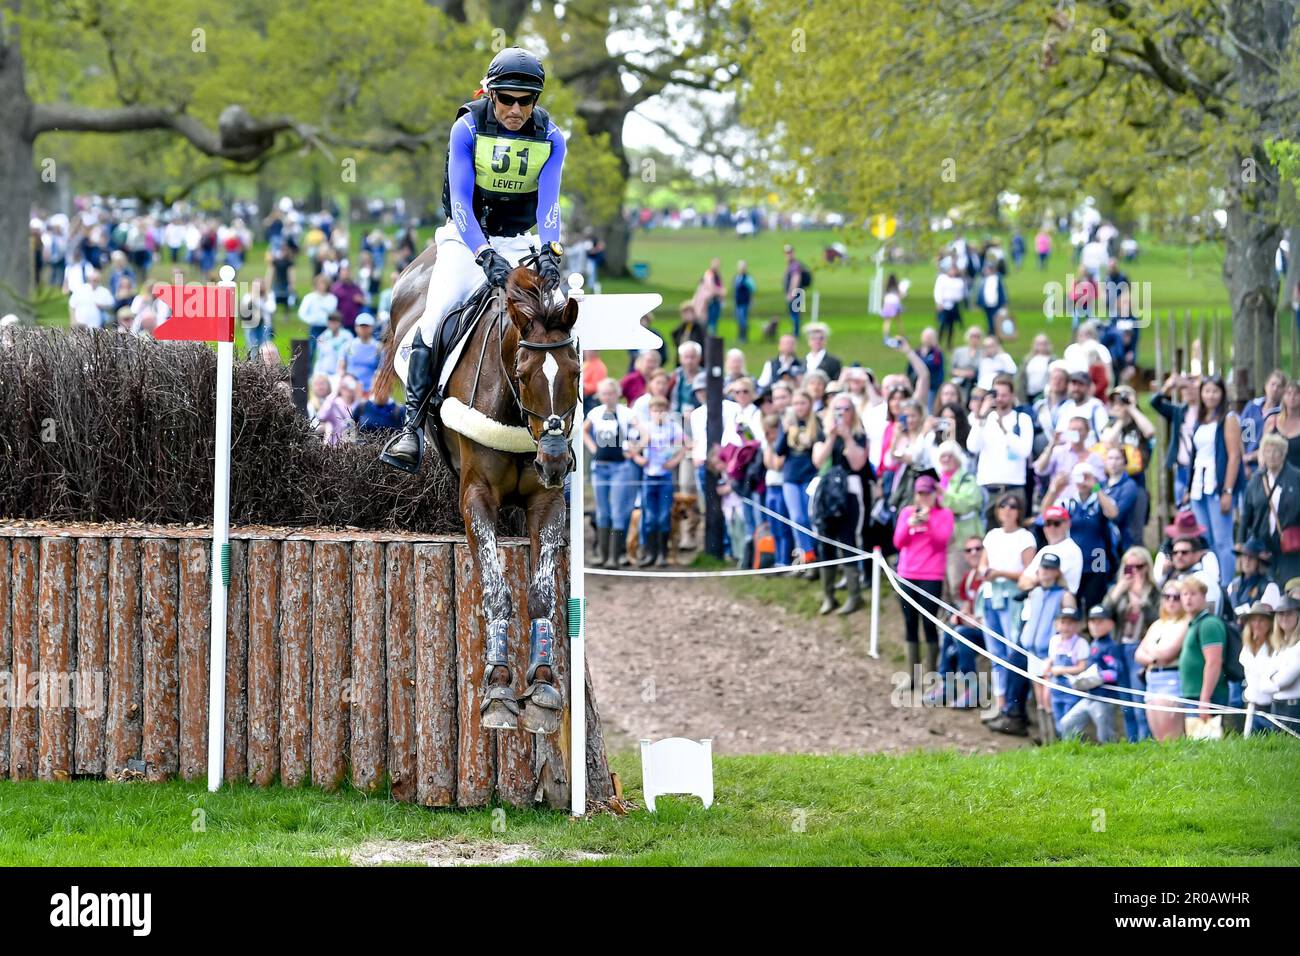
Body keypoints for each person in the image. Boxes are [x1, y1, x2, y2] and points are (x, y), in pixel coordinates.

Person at [384, 47, 567, 470]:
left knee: (555, 320)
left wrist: (550, 251)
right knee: (436, 315)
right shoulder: (466, 127)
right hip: (466, 239)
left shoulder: (553, 138)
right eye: (506, 99)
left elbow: (549, 206)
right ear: (490, 94)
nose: (516, 109)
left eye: (526, 101)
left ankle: (557, 429)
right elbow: (462, 203)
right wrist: (484, 254)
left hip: (521, 241)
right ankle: (411, 428)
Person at [892, 475, 954, 684]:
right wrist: (910, 525)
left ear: (935, 494)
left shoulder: (944, 514)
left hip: (931, 575)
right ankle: (912, 675)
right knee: (910, 623)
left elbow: (940, 542)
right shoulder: (907, 513)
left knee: (929, 624)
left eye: (928, 493)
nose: (924, 497)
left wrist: (928, 524)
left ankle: (930, 675)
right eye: (921, 493)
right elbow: (898, 542)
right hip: (908, 574)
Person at [979, 494, 1037, 717]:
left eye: (1013, 506)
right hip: (991, 595)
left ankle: (1016, 702)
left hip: (1013, 596)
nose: (1008, 509)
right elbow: (984, 563)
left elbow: (1029, 572)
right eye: (1003, 505)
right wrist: (985, 571)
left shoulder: (1025, 537)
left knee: (1014, 649)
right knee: (996, 652)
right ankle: (1000, 701)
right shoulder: (992, 535)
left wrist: (1000, 573)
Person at [1186, 375, 1244, 587]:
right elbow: (1195, 455)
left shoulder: (1228, 419)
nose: (1210, 395)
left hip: (1217, 485)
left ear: (1222, 394)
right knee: (1205, 541)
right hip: (1198, 487)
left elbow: (1234, 456)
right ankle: (1211, 586)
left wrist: (1227, 490)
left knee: (1222, 540)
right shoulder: (1201, 419)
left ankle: (1227, 586)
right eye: (1206, 391)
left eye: (1215, 391)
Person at [966, 374, 1034, 523]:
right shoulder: (985, 420)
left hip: (1013, 487)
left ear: (1012, 396)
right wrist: (981, 417)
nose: (999, 399)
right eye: (996, 394)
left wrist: (1005, 431)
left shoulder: (1022, 419)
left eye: (1004, 395)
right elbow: (972, 447)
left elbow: (1025, 451)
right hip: (987, 488)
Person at [584, 378, 636, 569]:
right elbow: (584, 430)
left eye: (611, 393)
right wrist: (593, 448)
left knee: (618, 511)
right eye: (604, 393)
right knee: (603, 511)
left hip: (620, 467)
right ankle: (603, 555)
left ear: (617, 393)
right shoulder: (595, 413)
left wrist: (633, 449)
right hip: (600, 467)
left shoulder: (627, 413)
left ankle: (616, 556)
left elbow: (644, 433)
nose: (608, 397)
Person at [631, 396, 686, 567]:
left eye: (662, 410)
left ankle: (663, 553)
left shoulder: (673, 428)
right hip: (649, 476)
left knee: (663, 516)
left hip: (665, 477)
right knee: (649, 516)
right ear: (650, 412)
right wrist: (638, 458)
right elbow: (631, 446)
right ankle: (650, 553)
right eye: (655, 410)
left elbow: (684, 446)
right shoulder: (645, 428)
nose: (659, 414)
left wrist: (674, 461)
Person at [1057, 606, 1124, 743]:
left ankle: (1114, 758)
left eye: (1100, 622)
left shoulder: (1111, 647)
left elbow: (1117, 671)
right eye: (1092, 621)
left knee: (1105, 735)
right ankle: (1072, 753)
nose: (1095, 625)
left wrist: (1099, 676)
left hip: (1105, 699)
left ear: (1110, 624)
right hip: (1090, 695)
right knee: (1067, 723)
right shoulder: (1094, 644)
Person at [1136, 581, 1191, 741]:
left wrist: (1151, 651)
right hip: (1152, 680)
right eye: (1167, 596)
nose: (1171, 601)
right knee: (1159, 737)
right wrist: (1155, 656)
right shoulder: (1157, 624)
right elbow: (1138, 654)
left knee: (1172, 738)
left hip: (1171, 680)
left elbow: (1168, 653)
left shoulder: (1186, 622)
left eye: (1176, 597)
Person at [775, 389, 822, 571]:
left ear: (809, 404)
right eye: (796, 404)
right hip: (791, 477)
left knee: (809, 518)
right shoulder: (788, 424)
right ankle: (807, 556)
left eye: (802, 403)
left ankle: (812, 557)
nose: (799, 407)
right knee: (797, 517)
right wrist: (786, 431)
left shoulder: (816, 423)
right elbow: (779, 450)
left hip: (809, 475)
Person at [1178, 577, 1229, 729]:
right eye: (1184, 594)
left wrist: (1204, 699)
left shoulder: (1209, 624)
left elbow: (1214, 662)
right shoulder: (1194, 623)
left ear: (1204, 596)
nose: (1188, 598)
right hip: (1194, 696)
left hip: (1207, 697)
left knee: (1207, 746)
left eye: (1193, 594)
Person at [1152, 372, 1202, 505]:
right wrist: (1167, 387)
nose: (1188, 391)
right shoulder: (1178, 411)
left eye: (1192, 386)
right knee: (1182, 511)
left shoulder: (1205, 412)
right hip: (1181, 469)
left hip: (1199, 469)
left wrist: (1185, 382)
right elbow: (1154, 403)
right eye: (1184, 388)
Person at [1238, 601, 1278, 734]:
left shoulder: (1275, 647)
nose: (1257, 624)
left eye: (1261, 620)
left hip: (1270, 707)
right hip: (1251, 705)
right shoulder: (1247, 646)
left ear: (1269, 622)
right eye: (1254, 620)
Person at [760, 413, 793, 567]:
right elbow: (768, 463)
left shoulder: (782, 445)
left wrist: (774, 446)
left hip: (781, 487)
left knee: (783, 527)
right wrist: (769, 444)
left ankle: (785, 559)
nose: (767, 435)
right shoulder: (769, 445)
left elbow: (777, 464)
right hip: (770, 487)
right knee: (774, 527)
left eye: (770, 431)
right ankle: (778, 559)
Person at [1261, 598, 1300, 723]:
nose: (1284, 617)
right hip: (1277, 705)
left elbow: (1284, 681)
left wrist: (1270, 681)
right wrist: (1271, 681)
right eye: (1281, 614)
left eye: (1289, 613)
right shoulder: (1280, 647)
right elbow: (1263, 679)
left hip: (1294, 708)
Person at [1241, 370, 1285, 476]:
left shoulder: (1282, 414)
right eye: (1272, 384)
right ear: (1265, 386)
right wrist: (1243, 461)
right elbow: (1238, 433)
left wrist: (1251, 457)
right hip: (1241, 463)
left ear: (1284, 390)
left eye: (1279, 386)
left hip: (1264, 466)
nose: (1275, 389)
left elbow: (1278, 444)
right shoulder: (1251, 406)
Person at [1225, 539, 1282, 616]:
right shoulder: (1233, 584)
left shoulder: (1269, 586)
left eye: (1251, 557)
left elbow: (1267, 617)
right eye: (1245, 555)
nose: (1247, 560)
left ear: (1259, 562)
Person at [1101, 446, 1141, 553]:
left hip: (1123, 541)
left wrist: (1097, 493)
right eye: (1110, 458)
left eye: (1117, 458)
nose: (1113, 462)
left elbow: (1117, 515)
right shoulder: (1101, 484)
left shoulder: (1129, 485)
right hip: (1102, 541)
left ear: (1125, 461)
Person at [341, 313, 382, 396]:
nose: (364, 329)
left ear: (372, 328)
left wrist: (375, 386)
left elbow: (381, 370)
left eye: (366, 326)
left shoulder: (379, 348)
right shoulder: (348, 345)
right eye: (361, 326)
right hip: (349, 390)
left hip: (370, 389)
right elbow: (341, 367)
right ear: (356, 327)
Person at [312, 311, 354, 381]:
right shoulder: (323, 337)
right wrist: (316, 374)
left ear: (340, 323)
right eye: (330, 322)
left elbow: (350, 356)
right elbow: (319, 358)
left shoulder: (347, 337)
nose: (332, 325)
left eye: (334, 323)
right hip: (325, 374)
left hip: (341, 374)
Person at [933, 260, 965, 348]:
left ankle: (949, 343)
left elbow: (960, 294)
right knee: (942, 324)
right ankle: (938, 342)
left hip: (954, 305)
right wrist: (939, 302)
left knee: (951, 325)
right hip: (944, 305)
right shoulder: (942, 278)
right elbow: (938, 291)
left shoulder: (959, 281)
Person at [783, 244, 810, 336]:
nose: (788, 255)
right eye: (786, 253)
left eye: (789, 253)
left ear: (793, 253)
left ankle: (796, 333)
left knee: (795, 314)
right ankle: (795, 331)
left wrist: (791, 293)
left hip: (797, 293)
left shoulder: (795, 265)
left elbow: (796, 278)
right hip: (798, 293)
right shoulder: (791, 265)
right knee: (795, 313)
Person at [693, 258, 725, 336]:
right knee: (710, 321)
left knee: (713, 321)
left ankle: (712, 337)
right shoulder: (709, 274)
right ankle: (710, 337)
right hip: (710, 301)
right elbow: (712, 288)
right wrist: (721, 291)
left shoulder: (716, 275)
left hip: (716, 300)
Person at [950, 326, 982, 399]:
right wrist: (964, 373)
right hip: (960, 382)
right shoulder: (959, 351)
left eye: (977, 336)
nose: (974, 339)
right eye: (972, 336)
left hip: (976, 383)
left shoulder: (983, 353)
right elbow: (951, 370)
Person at [976, 260, 1007, 334]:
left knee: (996, 320)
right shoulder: (983, 280)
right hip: (987, 304)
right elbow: (981, 293)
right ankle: (991, 333)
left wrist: (1004, 303)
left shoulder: (997, 278)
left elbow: (1001, 291)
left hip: (996, 304)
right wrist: (979, 303)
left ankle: (995, 334)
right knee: (989, 320)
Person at [732, 260, 754, 343]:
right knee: (739, 320)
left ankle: (743, 337)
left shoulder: (747, 278)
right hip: (738, 302)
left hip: (744, 302)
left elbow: (752, 289)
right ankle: (740, 336)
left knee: (743, 320)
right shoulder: (737, 277)